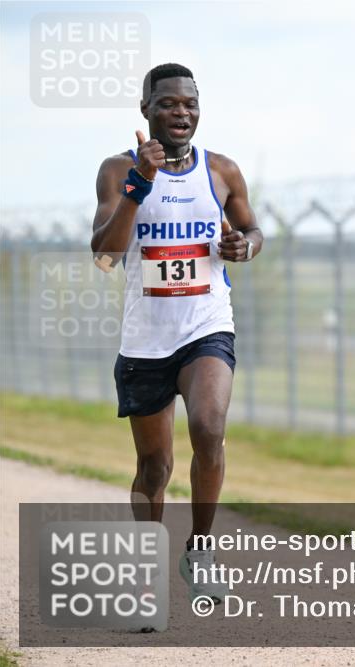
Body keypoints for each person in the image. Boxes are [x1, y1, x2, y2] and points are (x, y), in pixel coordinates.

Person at [90, 62, 263, 606]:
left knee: (209, 429)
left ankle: (202, 550)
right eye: (168, 103)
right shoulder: (118, 170)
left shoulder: (223, 170)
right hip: (146, 339)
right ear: (146, 110)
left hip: (207, 324)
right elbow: (104, 256)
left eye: (189, 103)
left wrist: (245, 247)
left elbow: (252, 231)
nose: (180, 112)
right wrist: (140, 186)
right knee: (154, 466)